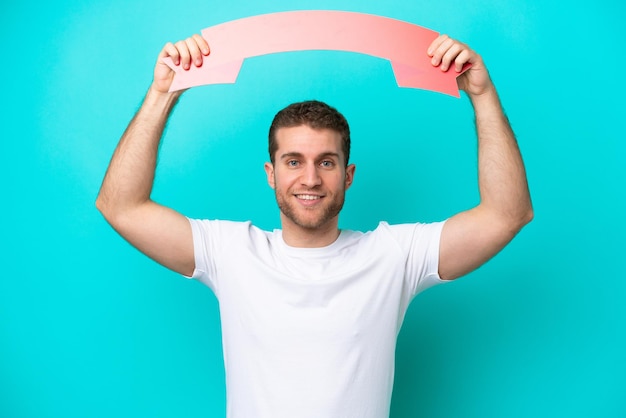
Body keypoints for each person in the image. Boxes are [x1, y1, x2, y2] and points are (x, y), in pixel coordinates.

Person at [96, 32, 532, 418]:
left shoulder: (393, 255)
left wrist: (482, 93)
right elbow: (121, 207)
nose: (310, 179)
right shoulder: (229, 251)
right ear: (271, 173)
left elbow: (506, 215)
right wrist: (164, 93)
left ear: (348, 174)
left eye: (326, 162)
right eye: (293, 162)